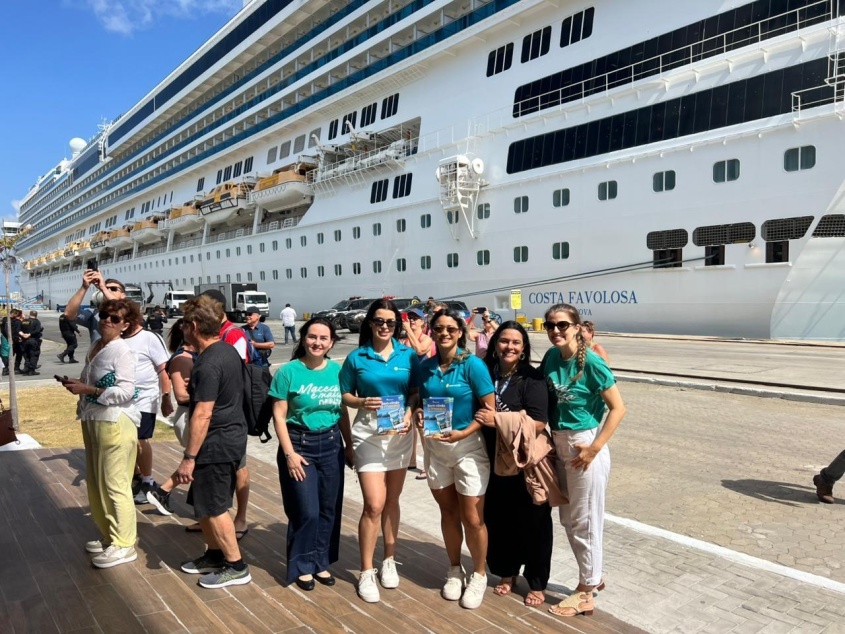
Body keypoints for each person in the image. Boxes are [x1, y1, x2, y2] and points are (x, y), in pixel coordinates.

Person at [540, 303, 626, 618]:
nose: (556, 331)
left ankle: (586, 591)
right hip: (559, 442)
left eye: (562, 325)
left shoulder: (591, 362)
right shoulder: (551, 357)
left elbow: (618, 408)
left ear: (577, 327)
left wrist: (595, 448)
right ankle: (593, 575)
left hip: (583, 446)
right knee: (569, 518)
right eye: (550, 325)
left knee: (585, 521)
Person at [340, 300, 420, 603]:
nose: (384, 326)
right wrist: (361, 402)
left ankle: (389, 559)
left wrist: (410, 413)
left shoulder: (407, 355)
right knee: (374, 504)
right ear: (370, 324)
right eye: (379, 321)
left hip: (398, 432)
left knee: (392, 501)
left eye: (390, 322)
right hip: (368, 434)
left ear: (396, 326)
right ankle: (366, 570)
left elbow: (414, 393)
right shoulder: (356, 357)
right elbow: (345, 394)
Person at [414, 308, 495, 610]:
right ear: (432, 332)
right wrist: (419, 411)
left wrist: (464, 433)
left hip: (468, 447)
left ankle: (479, 574)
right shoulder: (425, 367)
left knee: (472, 518)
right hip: (436, 448)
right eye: (439, 328)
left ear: (460, 332)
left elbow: (489, 410)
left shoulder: (473, 365)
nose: (444, 333)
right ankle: (453, 570)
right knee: (448, 513)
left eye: (451, 328)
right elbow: (420, 399)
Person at [474, 321, 555, 607]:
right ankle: (506, 572)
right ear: (495, 344)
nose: (509, 347)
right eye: (504, 341)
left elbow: (539, 422)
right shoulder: (484, 372)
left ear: (523, 348)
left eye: (516, 342)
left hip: (523, 461)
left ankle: (536, 581)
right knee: (498, 520)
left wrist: (498, 419)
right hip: (490, 458)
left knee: (535, 523)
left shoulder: (532, 378)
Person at [270, 317, 352, 590]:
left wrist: (349, 446)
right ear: (303, 338)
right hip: (299, 445)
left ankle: (321, 562)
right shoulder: (288, 372)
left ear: (331, 342)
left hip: (331, 445)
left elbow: (342, 412)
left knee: (329, 509)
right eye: (312, 337)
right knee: (307, 511)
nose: (317, 342)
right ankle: (302, 565)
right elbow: (279, 417)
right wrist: (289, 454)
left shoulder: (337, 371)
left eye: (323, 338)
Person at [177, 296, 252, 588]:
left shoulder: (208, 363)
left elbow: (203, 414)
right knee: (203, 503)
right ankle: (215, 554)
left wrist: (189, 457)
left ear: (194, 326)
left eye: (184, 324)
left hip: (217, 443)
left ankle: (236, 566)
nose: (182, 329)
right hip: (228, 438)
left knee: (216, 506)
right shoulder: (226, 351)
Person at [59, 298, 141, 568]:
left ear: (125, 325)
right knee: (97, 482)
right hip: (93, 418)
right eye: (105, 315)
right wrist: (79, 384)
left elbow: (127, 391)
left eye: (115, 318)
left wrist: (90, 390)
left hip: (114, 422)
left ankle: (125, 544)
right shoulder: (97, 345)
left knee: (115, 484)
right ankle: (110, 536)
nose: (107, 320)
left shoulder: (122, 351)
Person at [188, 288, 250, 539]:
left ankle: (238, 519)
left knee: (236, 472)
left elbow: (236, 375)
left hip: (225, 424)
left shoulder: (233, 335)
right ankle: (210, 525)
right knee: (211, 494)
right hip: (221, 423)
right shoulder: (219, 340)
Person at [122, 306, 174, 504]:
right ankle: (136, 476)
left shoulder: (150, 338)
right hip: (123, 399)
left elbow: (163, 370)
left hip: (145, 398)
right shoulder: (117, 339)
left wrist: (166, 397)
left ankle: (147, 481)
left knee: (140, 439)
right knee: (126, 440)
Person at [145, 319, 197, 515]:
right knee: (198, 460)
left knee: (200, 462)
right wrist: (212, 395)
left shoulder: (193, 355)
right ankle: (162, 491)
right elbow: (181, 396)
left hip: (193, 414)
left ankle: (166, 493)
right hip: (188, 416)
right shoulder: (182, 359)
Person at [399, 307, 435, 479]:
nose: (412, 320)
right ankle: (411, 460)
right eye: (410, 318)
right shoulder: (404, 340)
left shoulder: (426, 338)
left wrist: (408, 331)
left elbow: (420, 350)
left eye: (415, 318)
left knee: (423, 427)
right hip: (409, 387)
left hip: (423, 388)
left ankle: (429, 466)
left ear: (422, 322)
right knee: (409, 425)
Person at [64, 271, 127, 344]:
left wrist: (103, 288)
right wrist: (84, 287)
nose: (108, 290)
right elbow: (68, 314)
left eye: (113, 289)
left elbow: (119, 308)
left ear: (123, 295)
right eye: (107, 288)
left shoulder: (130, 313)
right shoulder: (94, 314)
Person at [19, 310, 43, 376]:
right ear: (36, 315)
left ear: (30, 314)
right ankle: (31, 370)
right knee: (34, 355)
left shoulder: (25, 321)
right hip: (33, 340)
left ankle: (26, 369)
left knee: (27, 355)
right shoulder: (37, 322)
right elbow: (37, 330)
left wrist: (23, 335)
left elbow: (19, 329)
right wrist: (29, 334)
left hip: (24, 340)